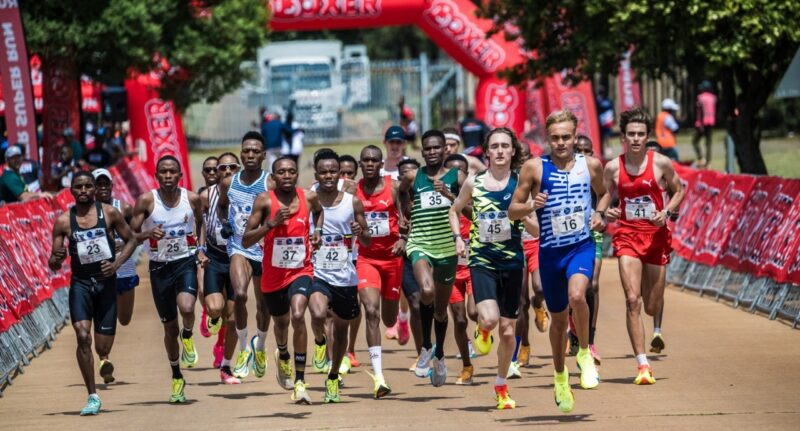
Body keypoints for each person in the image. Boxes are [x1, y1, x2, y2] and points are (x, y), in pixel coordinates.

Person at [509, 110, 610, 413]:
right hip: (550, 253)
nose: (562, 142)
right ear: (547, 138)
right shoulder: (533, 168)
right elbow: (512, 210)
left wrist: (599, 213)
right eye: (555, 137)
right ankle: (560, 376)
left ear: (575, 136)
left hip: (580, 246)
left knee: (579, 294)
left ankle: (583, 354)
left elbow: (604, 195)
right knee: (558, 320)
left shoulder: (590, 165)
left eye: (567, 137)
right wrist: (530, 204)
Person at [603, 107, 684, 385]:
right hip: (627, 235)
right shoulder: (613, 167)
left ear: (647, 136)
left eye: (640, 134)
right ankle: (642, 364)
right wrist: (606, 212)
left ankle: (655, 324)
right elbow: (603, 197)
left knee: (651, 305)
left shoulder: (661, 163)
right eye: (631, 134)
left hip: (656, 237)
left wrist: (668, 212)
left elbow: (679, 189)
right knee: (632, 299)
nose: (636, 139)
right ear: (623, 136)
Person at [48, 172, 137, 415]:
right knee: (82, 335)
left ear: (95, 190)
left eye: (89, 186)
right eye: (79, 187)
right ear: (72, 191)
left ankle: (103, 360)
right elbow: (54, 262)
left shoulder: (109, 214)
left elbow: (131, 240)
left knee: (101, 347)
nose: (85, 190)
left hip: (106, 283)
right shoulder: (64, 222)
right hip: (81, 284)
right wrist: (55, 260)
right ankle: (92, 395)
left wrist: (116, 265)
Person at [450, 127, 526, 409]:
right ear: (487, 151)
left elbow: (533, 226)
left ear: (513, 151)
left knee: (508, 332)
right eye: (495, 146)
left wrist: (529, 212)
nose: (500, 151)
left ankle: (501, 384)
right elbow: (455, 210)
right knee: (491, 319)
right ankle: (483, 331)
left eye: (506, 146)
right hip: (482, 260)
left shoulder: (520, 184)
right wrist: (459, 238)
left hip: (513, 263)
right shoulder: (474, 182)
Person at [242, 156, 323, 403]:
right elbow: (246, 239)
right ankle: (283, 355)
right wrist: (270, 224)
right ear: (273, 177)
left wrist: (317, 231)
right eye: (281, 172)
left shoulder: (308, 197)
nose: (286, 175)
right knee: (281, 324)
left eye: (291, 171)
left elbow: (319, 213)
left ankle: (300, 381)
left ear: (297, 174)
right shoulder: (265, 200)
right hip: (273, 275)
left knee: (298, 314)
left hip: (301, 270)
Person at [130, 155, 206, 403]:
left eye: (173, 172)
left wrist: (201, 248)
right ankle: (176, 376)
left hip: (185, 261)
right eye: (163, 172)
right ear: (156, 175)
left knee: (186, 307)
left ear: (180, 175)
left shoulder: (191, 199)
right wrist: (147, 233)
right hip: (159, 267)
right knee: (168, 329)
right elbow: (130, 232)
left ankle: (188, 333)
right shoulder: (146, 200)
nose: (168, 176)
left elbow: (201, 223)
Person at [400, 129, 466, 387]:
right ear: (422, 151)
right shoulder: (413, 176)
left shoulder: (456, 176)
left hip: (447, 249)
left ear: (444, 149)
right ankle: (425, 346)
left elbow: (470, 208)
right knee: (425, 290)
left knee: (440, 311)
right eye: (427, 148)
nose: (431, 152)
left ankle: (439, 356)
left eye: (436, 148)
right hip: (420, 244)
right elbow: (401, 190)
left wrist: (451, 197)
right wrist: (404, 213)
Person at [216, 132, 272, 380]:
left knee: (263, 305)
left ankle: (260, 345)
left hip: (265, 251)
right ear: (241, 153)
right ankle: (243, 347)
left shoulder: (270, 183)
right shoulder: (229, 182)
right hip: (239, 246)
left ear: (263, 155)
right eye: (246, 150)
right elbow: (222, 206)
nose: (250, 155)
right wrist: (225, 223)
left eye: (255, 151)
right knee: (239, 294)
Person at [355, 145, 408, 397]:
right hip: (366, 259)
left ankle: (398, 317)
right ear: (360, 163)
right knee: (371, 311)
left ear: (380, 163)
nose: (369, 164)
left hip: (392, 260)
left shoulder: (395, 187)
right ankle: (378, 377)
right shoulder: (351, 191)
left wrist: (404, 239)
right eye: (365, 160)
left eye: (374, 160)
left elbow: (411, 215)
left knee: (388, 318)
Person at [92, 168, 139, 384]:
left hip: (124, 271)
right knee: (102, 317)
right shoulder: (86, 213)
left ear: (111, 186)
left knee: (125, 319)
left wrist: (124, 243)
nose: (102, 188)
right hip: (99, 274)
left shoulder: (125, 208)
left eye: (105, 184)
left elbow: (135, 235)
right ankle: (104, 360)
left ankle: (104, 354)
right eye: (97, 184)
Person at [199, 153, 242, 383]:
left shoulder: (249, 193)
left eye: (231, 167)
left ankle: (226, 366)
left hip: (238, 257)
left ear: (238, 169)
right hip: (215, 257)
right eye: (221, 167)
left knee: (233, 318)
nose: (226, 171)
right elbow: (200, 224)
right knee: (215, 308)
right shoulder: (207, 195)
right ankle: (212, 316)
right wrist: (200, 249)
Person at [442, 154, 477, 385]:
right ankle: (466, 365)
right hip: (450, 268)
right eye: (451, 173)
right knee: (460, 319)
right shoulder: (435, 200)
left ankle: (483, 332)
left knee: (476, 313)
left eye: (460, 173)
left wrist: (455, 199)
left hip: (474, 265)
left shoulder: (477, 196)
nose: (456, 178)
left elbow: (475, 216)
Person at [515, 143, 548, 369]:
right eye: (520, 157)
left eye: (527, 156)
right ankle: (525, 345)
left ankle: (540, 305)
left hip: (535, 242)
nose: (523, 161)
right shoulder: (506, 180)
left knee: (539, 288)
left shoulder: (537, 180)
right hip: (514, 245)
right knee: (520, 302)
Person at [573, 136, 604, 365]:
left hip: (592, 232)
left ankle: (590, 341)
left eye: (587, 150)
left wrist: (601, 214)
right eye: (579, 150)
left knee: (591, 284)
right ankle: (574, 329)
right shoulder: (565, 170)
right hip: (567, 236)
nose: (583, 154)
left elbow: (606, 196)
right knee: (572, 291)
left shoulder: (595, 170)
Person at [396, 158, 424, 367]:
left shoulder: (432, 194)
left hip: (432, 254)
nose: (409, 177)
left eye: (413, 173)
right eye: (404, 174)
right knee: (415, 302)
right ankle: (421, 353)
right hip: (406, 258)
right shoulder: (394, 200)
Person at [198, 156, 218, 339]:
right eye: (208, 169)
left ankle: (220, 346)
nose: (212, 172)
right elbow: (198, 225)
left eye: (215, 169)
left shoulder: (228, 194)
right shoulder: (199, 196)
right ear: (203, 173)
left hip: (225, 252)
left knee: (227, 307)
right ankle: (206, 311)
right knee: (203, 289)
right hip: (203, 249)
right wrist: (200, 248)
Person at [692, 81, 717, 166]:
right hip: (711, 122)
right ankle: (708, 161)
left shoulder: (700, 97)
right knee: (708, 143)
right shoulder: (713, 98)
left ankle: (700, 157)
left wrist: (701, 124)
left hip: (702, 123)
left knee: (695, 141)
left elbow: (701, 111)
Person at [596, 86, 615, 158]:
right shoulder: (600, 100)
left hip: (606, 121)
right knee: (604, 137)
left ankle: (608, 152)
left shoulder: (606, 101)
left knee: (607, 137)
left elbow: (612, 109)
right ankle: (603, 152)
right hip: (603, 121)